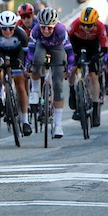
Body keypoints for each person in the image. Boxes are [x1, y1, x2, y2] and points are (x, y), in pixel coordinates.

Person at [27, 7, 74, 138]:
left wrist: (69, 67)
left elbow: (69, 52)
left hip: (57, 49)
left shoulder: (61, 30)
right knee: (36, 59)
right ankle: (35, 91)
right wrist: (28, 65)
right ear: (39, 26)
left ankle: (58, 125)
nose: (46, 30)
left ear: (55, 26)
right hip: (41, 46)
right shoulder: (35, 30)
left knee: (58, 85)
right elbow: (30, 51)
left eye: (49, 28)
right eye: (43, 27)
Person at [67, 7, 108, 126]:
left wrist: (97, 56)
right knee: (73, 68)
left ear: (95, 23)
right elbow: (65, 39)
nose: (86, 28)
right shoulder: (75, 24)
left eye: (90, 26)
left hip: (92, 46)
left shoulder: (100, 27)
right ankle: (72, 92)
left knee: (93, 75)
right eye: (83, 25)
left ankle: (95, 109)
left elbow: (104, 47)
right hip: (76, 43)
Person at [0, 10, 31, 136]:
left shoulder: (21, 34)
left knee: (20, 84)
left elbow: (26, 54)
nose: (7, 31)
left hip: (17, 54)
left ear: (15, 26)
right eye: (4, 28)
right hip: (1, 53)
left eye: (10, 28)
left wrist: (25, 67)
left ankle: (25, 121)